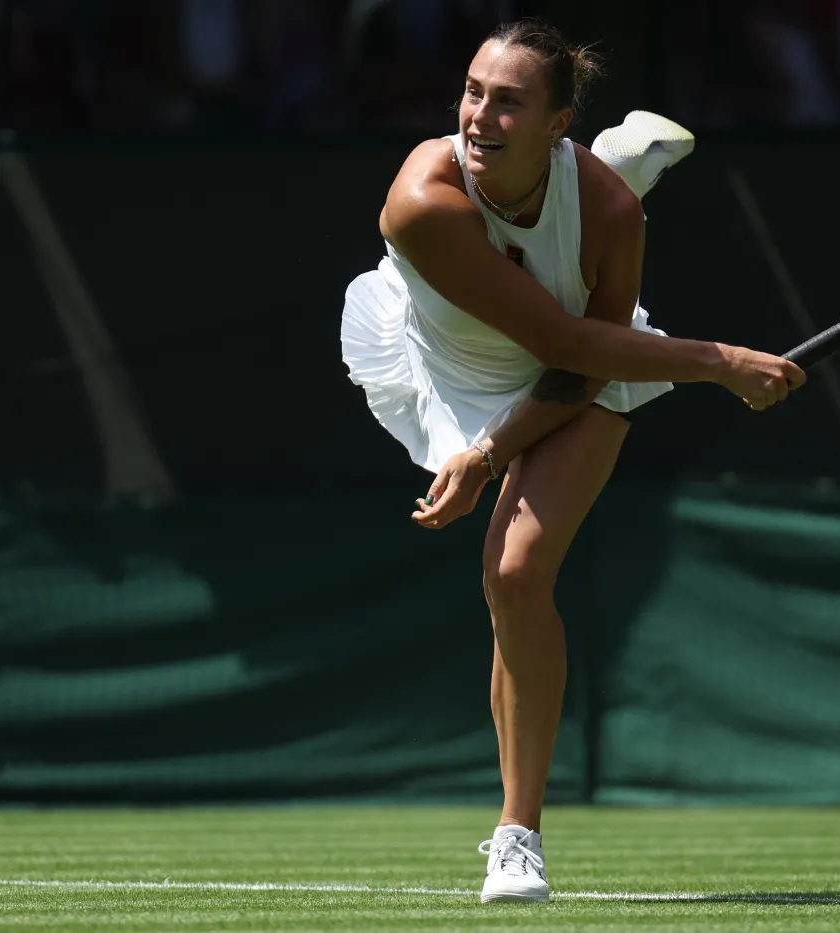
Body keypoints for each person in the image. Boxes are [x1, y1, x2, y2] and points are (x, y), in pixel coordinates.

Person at [340, 18, 805, 903]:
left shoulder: (612, 215)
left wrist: (489, 457)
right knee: (557, 278)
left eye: (509, 103)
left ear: (558, 122)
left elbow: (581, 362)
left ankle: (518, 836)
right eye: (473, 92)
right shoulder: (423, 199)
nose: (479, 116)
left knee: (516, 573)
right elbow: (554, 334)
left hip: (579, 362)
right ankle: (624, 159)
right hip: (461, 362)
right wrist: (720, 362)